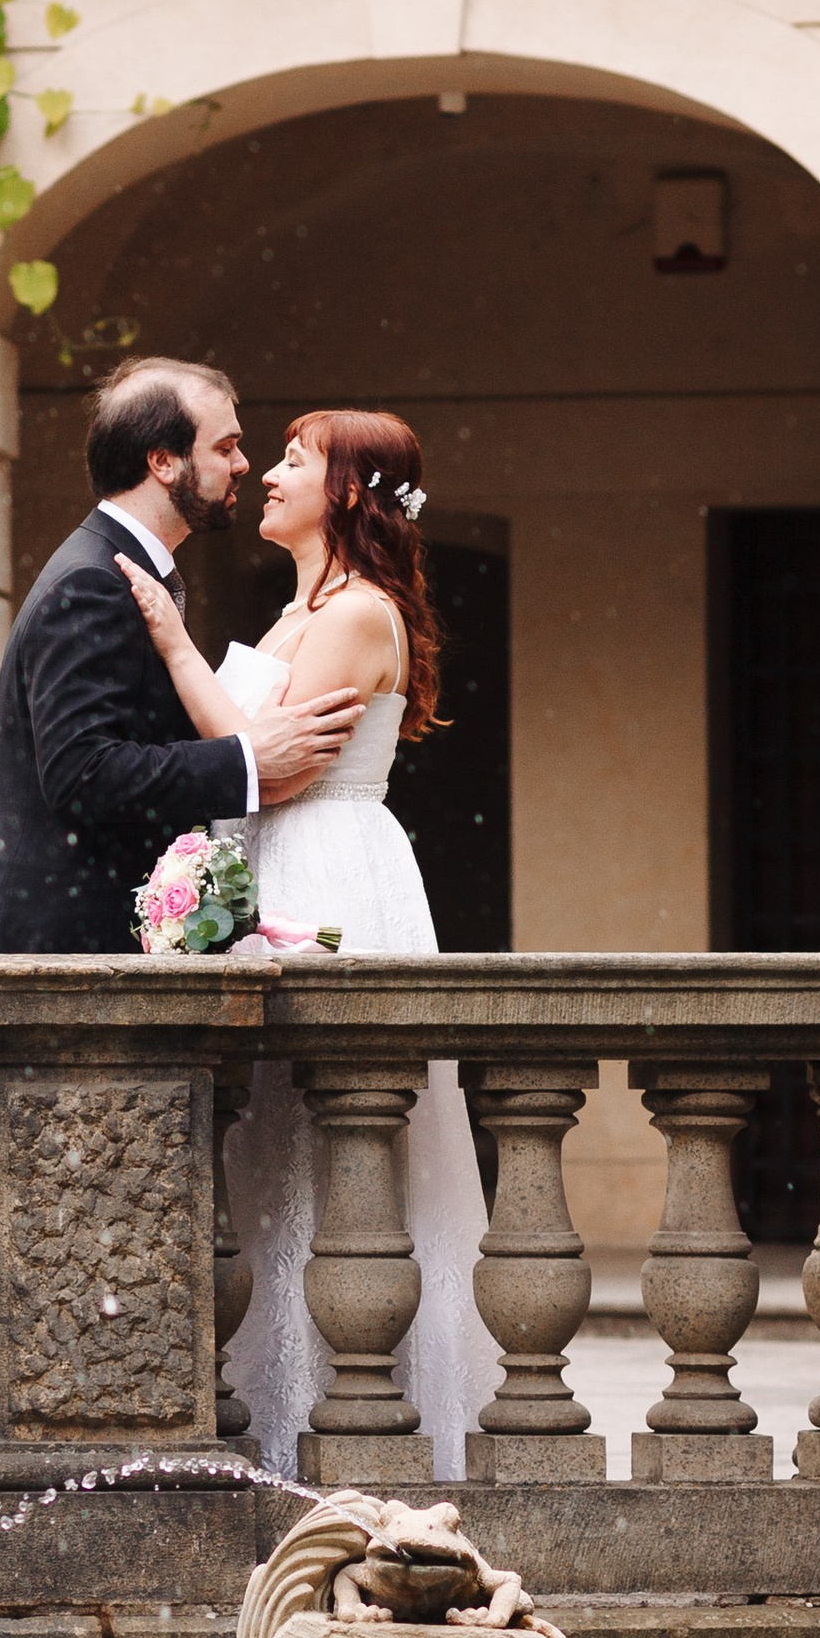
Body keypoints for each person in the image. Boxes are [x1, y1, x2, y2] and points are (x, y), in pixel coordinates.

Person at [115, 403, 495, 1473]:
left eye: (292, 460)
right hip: (270, 860)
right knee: (267, 1157)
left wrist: (171, 641)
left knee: (339, 1158)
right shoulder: (295, 614)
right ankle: (269, 1410)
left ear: (349, 494)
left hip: (327, 868)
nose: (267, 477)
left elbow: (265, 760)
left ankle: (347, 1425)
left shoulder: (357, 614)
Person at [0, 356, 363, 955]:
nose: (244, 465)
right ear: (163, 461)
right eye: (226, 447)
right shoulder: (91, 583)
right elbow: (81, 773)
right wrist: (248, 759)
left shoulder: (122, 570)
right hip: (51, 952)